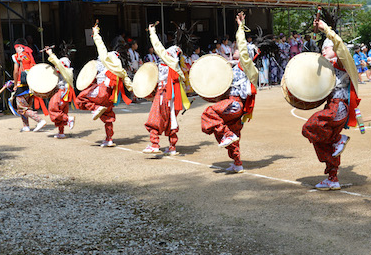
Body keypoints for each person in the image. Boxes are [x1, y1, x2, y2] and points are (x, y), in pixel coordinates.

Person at [301, 12, 360, 190]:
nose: (322, 51)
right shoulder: (329, 67)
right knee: (324, 141)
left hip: (338, 107)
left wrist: (326, 29)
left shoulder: (342, 62)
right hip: (334, 107)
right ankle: (332, 178)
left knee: (309, 127)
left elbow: (340, 45)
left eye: (326, 48)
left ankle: (339, 138)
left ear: (334, 49)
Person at [200, 12, 258, 173]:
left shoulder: (247, 66)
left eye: (238, 49)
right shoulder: (235, 66)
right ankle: (237, 163)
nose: (235, 49)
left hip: (235, 103)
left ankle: (226, 135)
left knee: (209, 113)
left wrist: (240, 27)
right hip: (236, 106)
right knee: (232, 134)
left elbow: (242, 47)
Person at [76, 22, 134, 147]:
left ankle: (95, 108)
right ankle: (109, 139)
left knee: (80, 99)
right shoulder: (120, 70)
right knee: (108, 117)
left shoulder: (106, 61)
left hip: (101, 91)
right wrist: (136, 90)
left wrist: (96, 34)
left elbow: (101, 48)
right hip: (110, 97)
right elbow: (129, 84)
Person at [144, 23, 190, 155]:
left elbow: (158, 48)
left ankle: (154, 144)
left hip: (165, 93)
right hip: (174, 96)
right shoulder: (176, 66)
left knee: (155, 117)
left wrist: (152, 32)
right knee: (172, 120)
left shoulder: (169, 61)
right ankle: (172, 147)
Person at [10, 40, 47, 133]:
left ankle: (40, 120)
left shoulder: (17, 56)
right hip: (30, 83)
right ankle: (26, 126)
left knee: (21, 108)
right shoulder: (29, 55)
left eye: (16, 48)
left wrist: (15, 84)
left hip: (21, 84)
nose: (16, 50)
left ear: (19, 47)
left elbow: (15, 71)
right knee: (27, 106)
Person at [45, 47, 76, 138]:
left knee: (53, 108)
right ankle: (61, 132)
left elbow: (58, 63)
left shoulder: (66, 70)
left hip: (62, 91)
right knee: (62, 111)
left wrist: (50, 53)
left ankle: (68, 119)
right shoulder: (65, 71)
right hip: (64, 92)